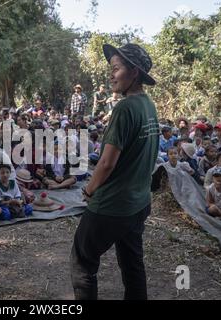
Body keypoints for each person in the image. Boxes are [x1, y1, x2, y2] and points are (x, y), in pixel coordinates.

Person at [71, 43, 159, 300]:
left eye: (116, 69)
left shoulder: (124, 108)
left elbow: (107, 163)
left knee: (82, 261)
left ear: (134, 73)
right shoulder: (148, 106)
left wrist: (89, 190)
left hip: (112, 205)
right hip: (139, 203)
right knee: (133, 264)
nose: (111, 75)